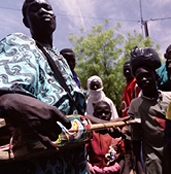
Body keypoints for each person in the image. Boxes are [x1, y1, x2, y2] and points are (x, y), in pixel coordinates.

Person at [0, 0, 86, 173]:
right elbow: (7, 94)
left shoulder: (61, 60)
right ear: (26, 21)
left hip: (74, 161)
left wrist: (107, 123)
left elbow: (73, 110)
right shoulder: (21, 43)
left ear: (54, 16)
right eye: (34, 9)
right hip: (38, 163)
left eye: (47, 7)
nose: (42, 10)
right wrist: (8, 99)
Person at [128, 46, 171, 174]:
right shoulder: (136, 104)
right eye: (139, 77)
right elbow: (136, 140)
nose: (143, 80)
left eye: (147, 75)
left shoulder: (170, 98)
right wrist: (139, 169)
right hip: (153, 161)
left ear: (155, 75)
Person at [86, 101, 124, 174]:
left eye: (106, 112)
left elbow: (124, 157)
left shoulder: (117, 134)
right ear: (94, 115)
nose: (103, 115)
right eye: (99, 113)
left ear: (110, 114)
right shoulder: (90, 134)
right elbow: (84, 156)